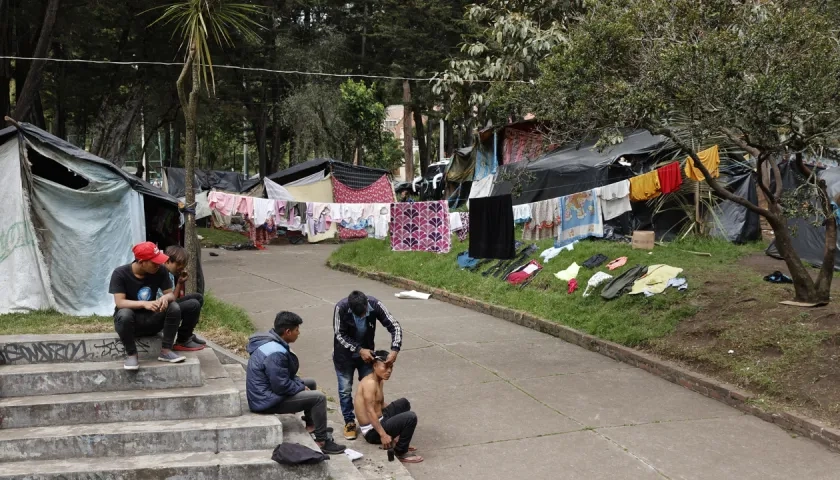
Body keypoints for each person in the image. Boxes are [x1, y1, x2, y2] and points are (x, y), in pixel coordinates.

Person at [246, 311, 346, 455]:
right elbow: (280, 386)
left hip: (265, 393)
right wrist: (299, 386)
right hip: (265, 402)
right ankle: (322, 441)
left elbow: (283, 376)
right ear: (287, 331)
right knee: (318, 398)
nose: (298, 333)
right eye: (296, 330)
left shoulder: (271, 342)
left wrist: (300, 384)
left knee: (310, 383)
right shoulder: (275, 353)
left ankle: (312, 426)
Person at [109, 242, 198, 370]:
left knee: (173, 307)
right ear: (141, 262)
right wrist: (145, 304)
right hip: (131, 324)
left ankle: (166, 351)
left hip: (152, 321)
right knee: (124, 313)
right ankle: (132, 355)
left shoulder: (160, 271)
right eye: (154, 262)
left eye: (158, 261)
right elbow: (120, 302)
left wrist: (164, 298)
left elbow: (171, 296)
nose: (158, 265)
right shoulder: (120, 273)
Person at [333, 290, 402, 440]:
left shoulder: (375, 304)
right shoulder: (341, 307)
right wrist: (359, 349)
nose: (362, 317)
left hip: (368, 357)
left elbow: (394, 326)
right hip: (344, 356)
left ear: (366, 304)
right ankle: (349, 422)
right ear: (351, 308)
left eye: (364, 313)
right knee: (345, 390)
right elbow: (339, 335)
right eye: (358, 315)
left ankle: (376, 422)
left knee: (372, 388)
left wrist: (395, 349)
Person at [355, 351, 423, 463]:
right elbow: (370, 411)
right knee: (410, 417)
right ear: (375, 365)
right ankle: (401, 452)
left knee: (404, 403)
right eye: (386, 367)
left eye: (391, 367)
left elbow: (381, 405)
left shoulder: (379, 380)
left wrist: (397, 422)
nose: (389, 371)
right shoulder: (369, 383)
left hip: (381, 420)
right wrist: (383, 435)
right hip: (372, 432)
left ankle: (398, 439)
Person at [158, 245, 206, 351]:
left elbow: (172, 298)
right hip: (159, 310)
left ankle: (187, 334)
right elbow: (166, 302)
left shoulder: (169, 273)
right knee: (193, 304)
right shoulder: (160, 272)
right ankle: (182, 340)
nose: (181, 267)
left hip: (168, 305)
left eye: (183, 265)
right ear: (167, 261)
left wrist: (179, 283)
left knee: (198, 297)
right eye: (178, 264)